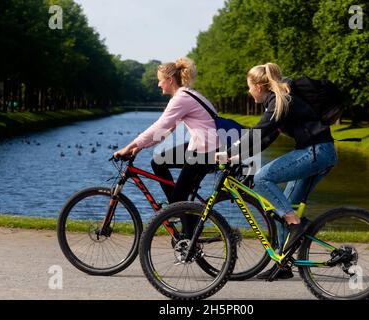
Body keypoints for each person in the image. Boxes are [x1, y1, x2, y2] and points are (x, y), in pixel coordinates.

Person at [225, 62, 337, 279]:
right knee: (282, 208)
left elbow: (258, 131)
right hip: (318, 152)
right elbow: (266, 137)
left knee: (262, 178)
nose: (248, 91)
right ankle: (283, 265)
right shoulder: (280, 101)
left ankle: (297, 225)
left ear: (259, 86)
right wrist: (238, 157)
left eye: (249, 86)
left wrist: (228, 151)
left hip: (316, 152)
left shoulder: (279, 100)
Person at [114, 57, 220, 235]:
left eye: (159, 80)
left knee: (179, 199)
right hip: (207, 146)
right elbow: (165, 130)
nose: (158, 84)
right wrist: (139, 147)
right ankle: (177, 210)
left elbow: (159, 126)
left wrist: (128, 146)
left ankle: (181, 222)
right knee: (159, 161)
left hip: (205, 151)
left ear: (170, 80)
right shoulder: (189, 94)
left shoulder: (181, 99)